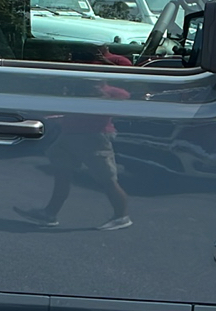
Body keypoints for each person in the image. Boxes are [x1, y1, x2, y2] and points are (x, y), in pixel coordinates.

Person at [15, 76, 132, 231]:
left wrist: (101, 92)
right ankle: (49, 214)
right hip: (68, 134)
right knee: (62, 174)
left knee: (107, 178)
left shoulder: (109, 91)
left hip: (93, 137)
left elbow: (125, 97)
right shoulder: (77, 90)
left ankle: (121, 216)